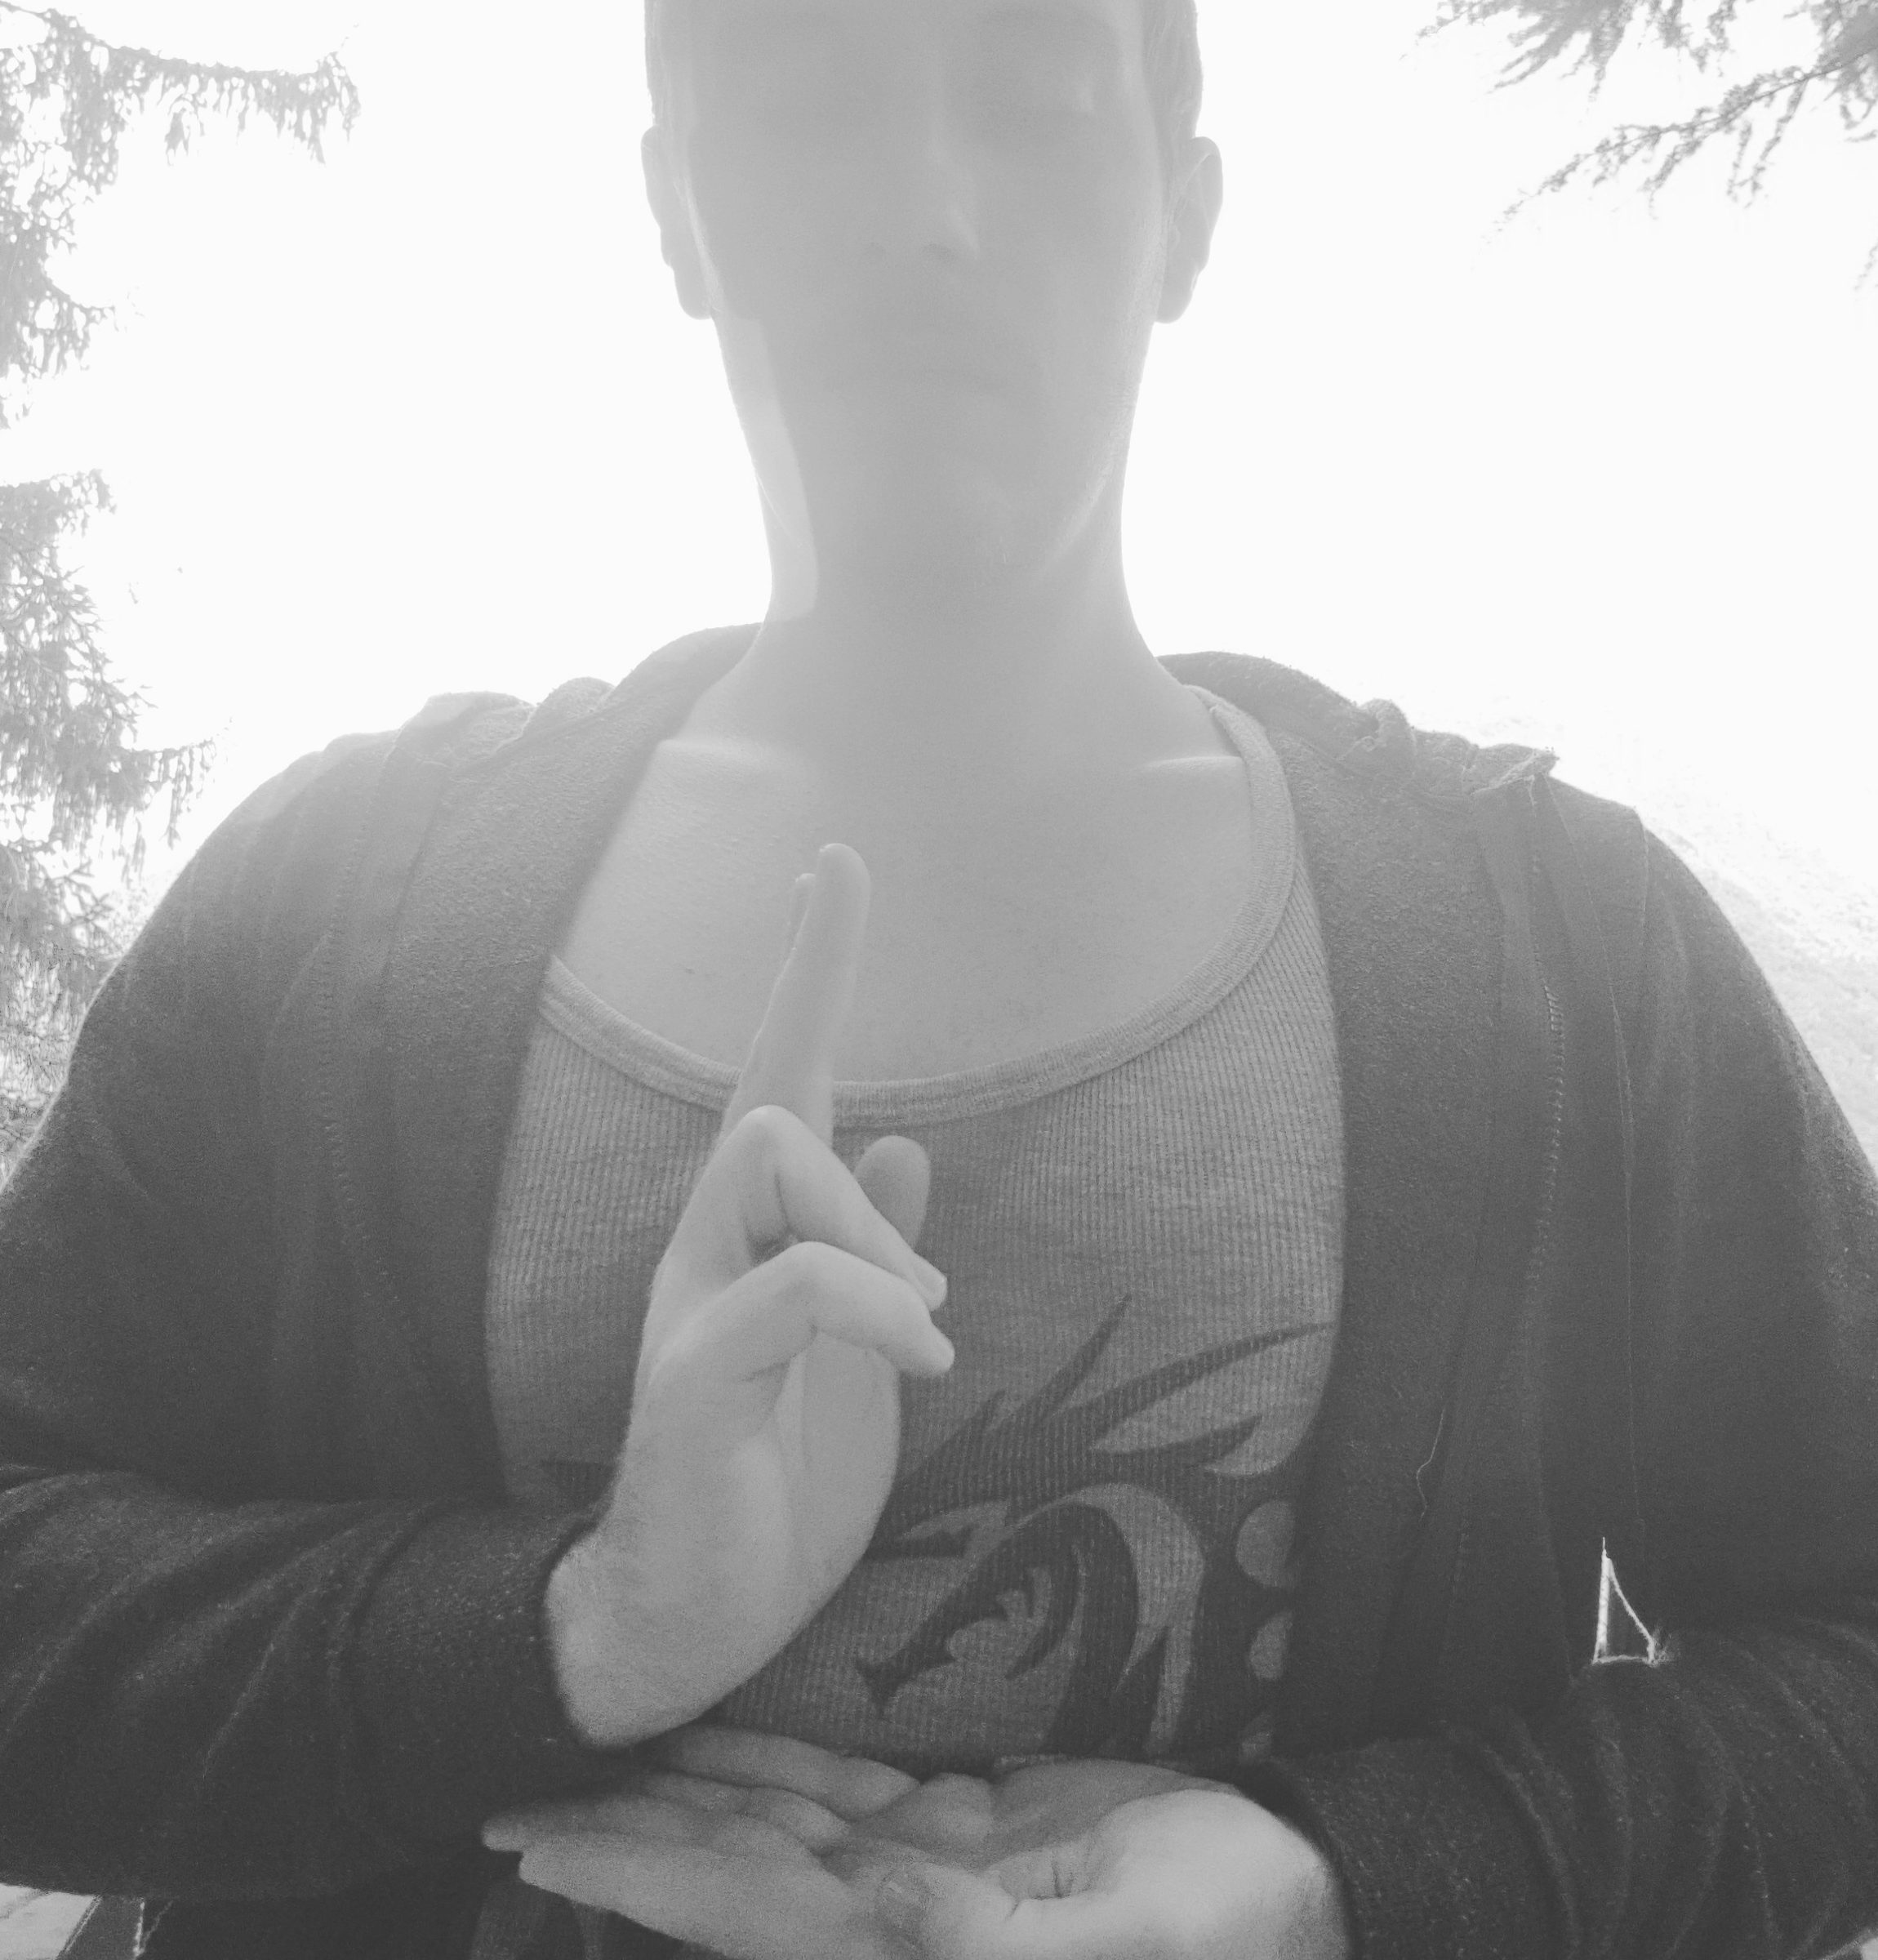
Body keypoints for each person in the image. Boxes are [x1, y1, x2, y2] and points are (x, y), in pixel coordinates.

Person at [2, 0, 1876, 1956]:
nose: (926, 211)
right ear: (678, 209)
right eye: (811, 107)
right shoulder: (327, 921)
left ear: (1184, 214)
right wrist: (591, 1617)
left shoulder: (1561, 960)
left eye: (1034, 103)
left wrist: (1352, 1886)